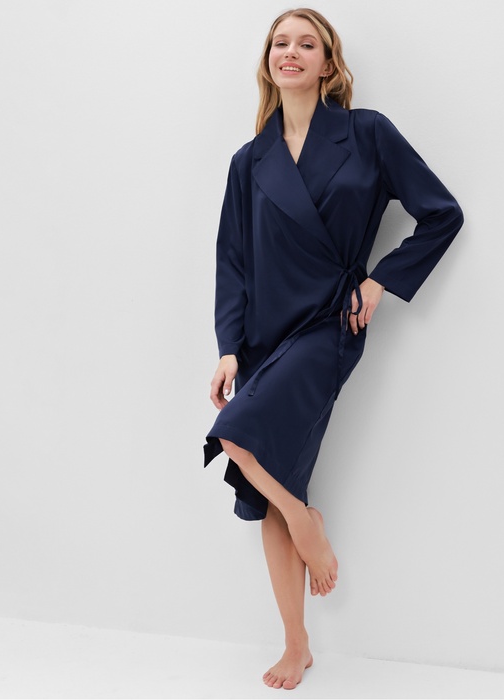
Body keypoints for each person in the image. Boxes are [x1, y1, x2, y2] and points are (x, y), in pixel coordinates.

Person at [203, 7, 463, 690]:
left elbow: (442, 213)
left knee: (235, 435)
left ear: (328, 63)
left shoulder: (367, 133)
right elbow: (232, 261)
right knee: (271, 487)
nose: (290, 51)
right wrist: (229, 347)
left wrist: (380, 280)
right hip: (264, 335)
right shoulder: (248, 161)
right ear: (268, 61)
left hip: (329, 324)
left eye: (306, 43)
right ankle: (297, 640)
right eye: (279, 43)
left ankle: (305, 522)